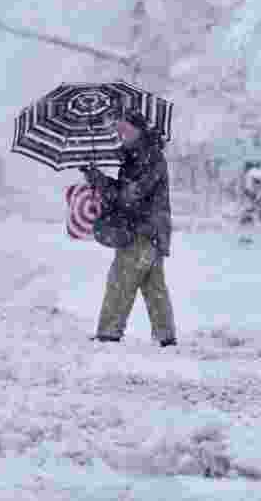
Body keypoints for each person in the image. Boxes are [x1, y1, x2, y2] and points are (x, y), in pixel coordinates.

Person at [80, 109, 176, 347]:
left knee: (120, 280)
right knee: (154, 287)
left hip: (141, 231)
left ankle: (108, 333)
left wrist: (99, 180)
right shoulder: (138, 157)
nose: (120, 132)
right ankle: (166, 337)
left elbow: (130, 196)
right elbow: (126, 193)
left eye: (125, 128)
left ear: (140, 129)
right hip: (152, 232)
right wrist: (96, 177)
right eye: (118, 128)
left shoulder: (148, 158)